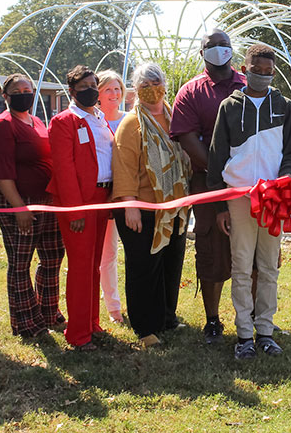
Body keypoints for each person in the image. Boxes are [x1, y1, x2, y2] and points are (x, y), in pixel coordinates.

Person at [208, 45, 291, 359]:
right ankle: (244, 335)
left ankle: (265, 330)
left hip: (273, 198)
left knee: (268, 266)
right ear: (243, 67)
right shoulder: (230, 106)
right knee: (240, 266)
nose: (261, 75)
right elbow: (216, 156)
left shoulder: (284, 106)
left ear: (274, 71)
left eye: (267, 71)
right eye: (256, 69)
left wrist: (284, 180)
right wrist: (220, 205)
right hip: (238, 197)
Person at [170, 30, 246, 344]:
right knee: (211, 252)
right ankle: (213, 320)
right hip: (208, 186)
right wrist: (221, 174)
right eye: (212, 47)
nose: (219, 51)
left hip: (250, 184)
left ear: (232, 50)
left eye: (224, 46)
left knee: (253, 252)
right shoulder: (190, 92)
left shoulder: (249, 85)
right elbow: (188, 139)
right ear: (202, 52)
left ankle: (254, 316)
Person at [112, 63, 190, 348]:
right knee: (144, 268)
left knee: (171, 264)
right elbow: (123, 168)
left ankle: (166, 318)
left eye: (156, 83)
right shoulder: (131, 124)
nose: (151, 89)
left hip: (173, 208)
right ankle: (145, 327)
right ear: (136, 90)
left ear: (165, 85)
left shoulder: (175, 117)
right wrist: (129, 205)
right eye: (145, 85)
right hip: (141, 209)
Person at [0, 74, 66, 338]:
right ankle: (26, 322)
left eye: (28, 89)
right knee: (21, 262)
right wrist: (19, 207)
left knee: (53, 257)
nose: (24, 94)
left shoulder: (36, 122)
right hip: (18, 202)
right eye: (17, 90)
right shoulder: (3, 125)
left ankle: (47, 311)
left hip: (47, 201)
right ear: (6, 97)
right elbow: (1, 173)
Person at [48, 65, 114, 350]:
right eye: (83, 85)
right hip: (79, 204)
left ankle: (91, 323)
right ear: (72, 91)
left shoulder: (100, 118)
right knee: (80, 267)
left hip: (102, 198)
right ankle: (77, 334)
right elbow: (64, 169)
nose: (90, 89)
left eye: (93, 84)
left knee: (94, 266)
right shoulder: (64, 121)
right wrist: (74, 211)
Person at [97, 70, 127, 324]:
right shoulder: (93, 123)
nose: (114, 94)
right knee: (107, 255)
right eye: (108, 89)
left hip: (129, 197)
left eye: (117, 89)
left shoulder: (130, 120)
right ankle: (113, 307)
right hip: (102, 197)